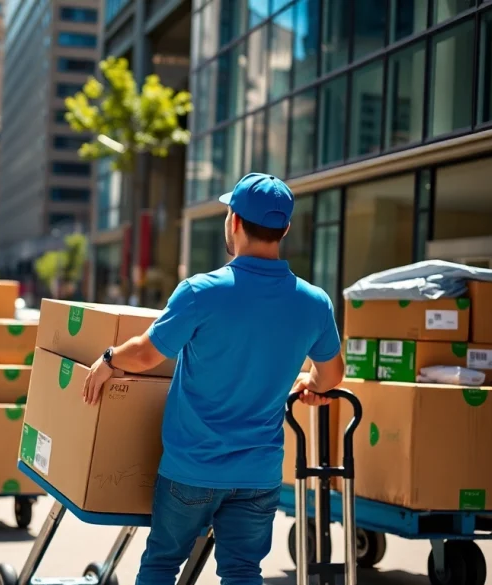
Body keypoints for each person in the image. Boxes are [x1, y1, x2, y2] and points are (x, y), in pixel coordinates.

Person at [81, 173, 345, 585]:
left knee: (162, 565)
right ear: (285, 229)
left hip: (191, 470)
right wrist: (310, 385)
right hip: (259, 475)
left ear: (234, 222)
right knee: (242, 572)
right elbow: (332, 375)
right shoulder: (313, 302)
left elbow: (148, 354)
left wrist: (109, 358)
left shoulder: (201, 292)